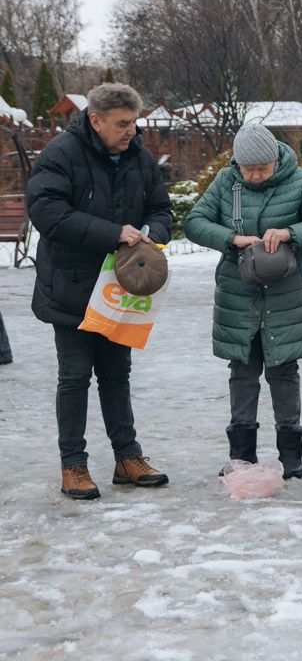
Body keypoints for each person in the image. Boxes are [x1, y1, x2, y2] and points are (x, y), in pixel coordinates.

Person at [26, 83, 172, 499]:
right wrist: (113, 233)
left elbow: (161, 208)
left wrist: (149, 235)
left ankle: (128, 458)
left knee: (116, 375)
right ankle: (73, 464)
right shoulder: (61, 153)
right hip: (70, 286)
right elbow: (47, 211)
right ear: (96, 120)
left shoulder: (139, 158)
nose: (131, 131)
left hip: (119, 289)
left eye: (134, 122)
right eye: (122, 124)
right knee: (74, 378)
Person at [184, 121, 302, 480]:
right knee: (242, 373)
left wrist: (290, 233)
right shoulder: (226, 182)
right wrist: (231, 239)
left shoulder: (301, 181)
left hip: (287, 297)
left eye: (262, 169)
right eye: (248, 169)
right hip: (239, 296)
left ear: (275, 161)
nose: (254, 176)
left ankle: (290, 456)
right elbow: (195, 222)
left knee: (284, 373)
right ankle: (242, 455)